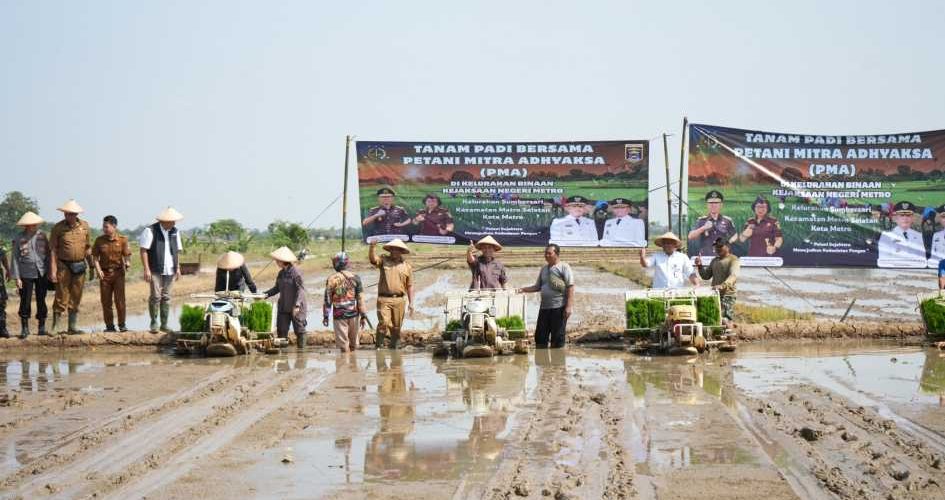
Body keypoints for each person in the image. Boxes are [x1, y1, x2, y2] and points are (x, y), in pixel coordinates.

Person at [516, 244, 574, 349]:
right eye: (545, 253)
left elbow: (570, 286)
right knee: (540, 337)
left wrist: (569, 306)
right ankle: (542, 364)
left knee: (557, 339)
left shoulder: (564, 267)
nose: (546, 255)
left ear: (557, 254)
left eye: (549, 253)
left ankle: (558, 364)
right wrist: (523, 289)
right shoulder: (544, 269)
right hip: (544, 308)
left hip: (559, 308)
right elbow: (537, 287)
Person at [48, 199, 92, 334]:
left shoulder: (85, 226)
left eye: (72, 214)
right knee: (61, 295)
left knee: (76, 295)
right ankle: (56, 326)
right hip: (63, 265)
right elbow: (53, 250)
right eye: (67, 213)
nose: (69, 216)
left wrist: (92, 266)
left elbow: (88, 248)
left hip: (80, 266)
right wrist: (53, 271)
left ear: (76, 214)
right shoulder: (58, 228)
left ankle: (72, 327)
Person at [139, 207, 184, 333]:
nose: (174, 223)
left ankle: (164, 324)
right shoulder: (150, 230)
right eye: (172, 221)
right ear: (164, 221)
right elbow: (143, 250)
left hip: (171, 269)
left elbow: (177, 251)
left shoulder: (175, 231)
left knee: (167, 297)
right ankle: (154, 323)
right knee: (155, 296)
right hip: (155, 269)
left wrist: (178, 267)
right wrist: (146, 269)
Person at [9, 211, 49, 338]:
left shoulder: (42, 236)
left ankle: (41, 327)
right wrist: (17, 277)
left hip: (42, 271)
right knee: (25, 300)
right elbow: (14, 258)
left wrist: (50, 272)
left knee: (41, 299)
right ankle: (25, 328)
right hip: (25, 273)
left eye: (34, 224)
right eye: (30, 224)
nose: (33, 226)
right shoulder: (18, 238)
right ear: (25, 225)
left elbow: (48, 255)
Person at [369, 238, 414, 349]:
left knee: (396, 328)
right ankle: (378, 347)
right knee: (383, 324)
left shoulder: (407, 266)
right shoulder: (384, 260)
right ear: (390, 250)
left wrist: (411, 303)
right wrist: (372, 247)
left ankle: (395, 351)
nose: (394, 251)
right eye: (393, 249)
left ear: (401, 251)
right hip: (384, 299)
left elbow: (410, 286)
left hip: (399, 300)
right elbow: (373, 260)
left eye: (397, 249)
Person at [92, 215, 131, 332]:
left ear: (114, 226)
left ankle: (122, 325)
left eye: (106, 226)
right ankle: (109, 326)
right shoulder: (99, 240)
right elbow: (95, 257)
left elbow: (127, 255)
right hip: (104, 275)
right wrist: (98, 271)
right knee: (106, 302)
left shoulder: (122, 239)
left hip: (118, 274)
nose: (104, 229)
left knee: (120, 301)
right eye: (103, 226)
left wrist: (128, 263)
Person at [323, 252, 367, 353]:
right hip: (354, 315)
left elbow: (327, 300)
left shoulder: (331, 279)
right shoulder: (356, 278)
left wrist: (326, 316)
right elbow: (360, 299)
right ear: (347, 263)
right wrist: (363, 315)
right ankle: (353, 365)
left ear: (337, 264)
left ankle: (346, 366)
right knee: (353, 345)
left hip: (339, 316)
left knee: (344, 346)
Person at [264, 246, 307, 349]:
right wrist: (265, 294)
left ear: (283, 261)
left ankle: (301, 355)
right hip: (283, 306)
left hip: (296, 307)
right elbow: (277, 288)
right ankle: (283, 357)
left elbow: (300, 290)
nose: (276, 262)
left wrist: (297, 305)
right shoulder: (281, 273)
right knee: (281, 331)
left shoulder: (296, 273)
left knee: (299, 330)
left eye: (277, 261)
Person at [695, 238, 740, 328]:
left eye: (720, 246)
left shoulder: (733, 260)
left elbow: (733, 276)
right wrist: (700, 266)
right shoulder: (714, 261)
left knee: (725, 319)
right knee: (713, 317)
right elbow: (706, 276)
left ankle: (731, 338)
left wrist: (723, 286)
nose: (717, 249)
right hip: (715, 294)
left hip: (727, 295)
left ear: (727, 247)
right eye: (716, 247)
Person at [877, 201, 926, 268]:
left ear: (912, 218)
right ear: (896, 217)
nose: (905, 218)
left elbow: (923, 261)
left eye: (908, 215)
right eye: (901, 215)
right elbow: (882, 261)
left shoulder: (918, 236)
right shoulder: (886, 235)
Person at [688, 190, 736, 256]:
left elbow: (735, 235)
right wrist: (703, 228)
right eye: (710, 203)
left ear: (721, 205)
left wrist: (727, 243)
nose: (713, 205)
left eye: (716, 203)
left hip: (722, 257)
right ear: (707, 205)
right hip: (706, 256)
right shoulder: (701, 220)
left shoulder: (727, 220)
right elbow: (690, 236)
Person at [0, 244, 8, 338]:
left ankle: (2, 328)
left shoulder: (1, 250)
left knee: (1, 304)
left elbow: (4, 260)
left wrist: (8, 271)